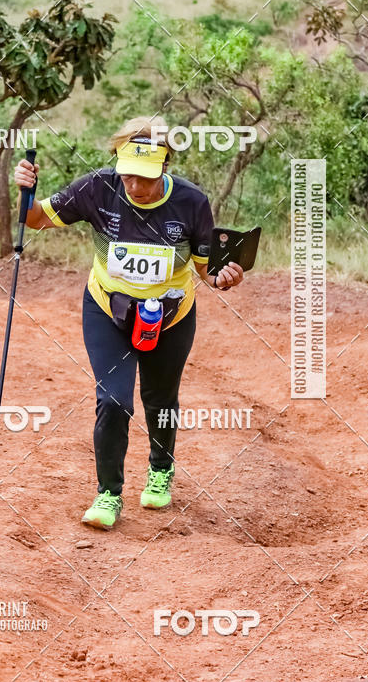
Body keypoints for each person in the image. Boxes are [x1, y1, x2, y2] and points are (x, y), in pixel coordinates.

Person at [13, 116, 244, 530]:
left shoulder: (192, 202)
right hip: (107, 309)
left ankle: (160, 468)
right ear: (117, 162)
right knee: (114, 399)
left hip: (170, 315)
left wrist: (224, 278)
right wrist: (25, 191)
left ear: (166, 166)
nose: (136, 185)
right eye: (129, 175)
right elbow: (36, 220)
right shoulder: (97, 188)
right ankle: (108, 493)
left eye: (147, 178)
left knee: (161, 399)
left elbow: (207, 269)